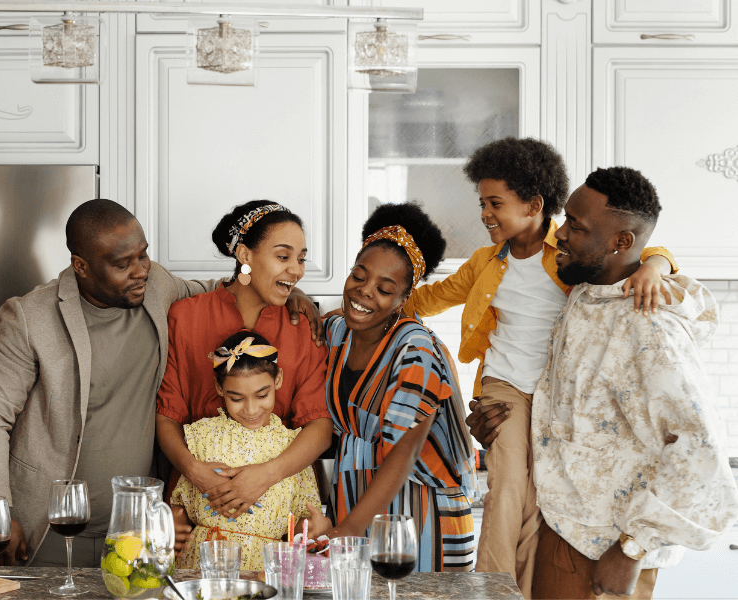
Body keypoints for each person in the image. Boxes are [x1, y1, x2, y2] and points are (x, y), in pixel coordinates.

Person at [0, 199, 320, 568]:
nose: (140, 271)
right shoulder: (28, 317)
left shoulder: (156, 287)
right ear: (80, 266)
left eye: (144, 256)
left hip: (140, 527)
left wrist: (286, 290)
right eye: (123, 264)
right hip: (53, 527)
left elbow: (226, 292)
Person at [400, 138, 676, 596]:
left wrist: (658, 265)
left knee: (540, 499)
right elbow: (428, 299)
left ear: (534, 204)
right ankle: (489, 587)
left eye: (495, 203)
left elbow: (635, 245)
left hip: (555, 393)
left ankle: (520, 589)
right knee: (507, 488)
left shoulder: (570, 253)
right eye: (482, 202)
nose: (485, 213)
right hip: (504, 387)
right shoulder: (485, 262)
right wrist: (374, 302)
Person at [474, 167, 738, 599]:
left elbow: (703, 451)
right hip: (564, 531)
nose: (557, 234)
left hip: (601, 552)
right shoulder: (587, 294)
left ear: (621, 242)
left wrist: (632, 550)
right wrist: (500, 431)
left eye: (575, 227)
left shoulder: (646, 329)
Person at [156, 201, 333, 532]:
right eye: (283, 256)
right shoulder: (186, 316)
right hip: (193, 515)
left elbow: (319, 425)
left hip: (279, 520)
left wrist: (266, 475)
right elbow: (168, 415)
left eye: (301, 258)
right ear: (244, 255)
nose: (296, 269)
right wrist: (195, 473)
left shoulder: (303, 326)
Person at [322, 202, 478, 572]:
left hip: (421, 517)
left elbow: (402, 456)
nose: (363, 293)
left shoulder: (416, 350)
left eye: (384, 288)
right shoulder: (335, 332)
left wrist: (345, 534)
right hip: (356, 501)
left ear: (403, 300)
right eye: (358, 276)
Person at [168, 330, 330, 570]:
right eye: (237, 399)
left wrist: (318, 528)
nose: (251, 410)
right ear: (219, 388)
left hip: (267, 569)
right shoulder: (199, 436)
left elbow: (302, 521)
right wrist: (172, 519)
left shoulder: (293, 448)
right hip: (204, 565)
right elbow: (179, 503)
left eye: (262, 395)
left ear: (278, 380)